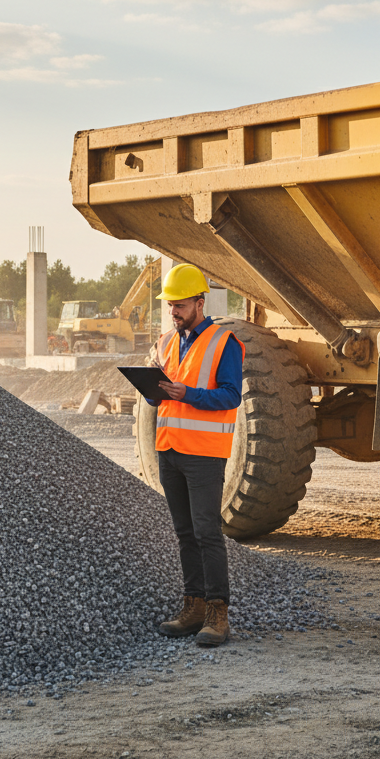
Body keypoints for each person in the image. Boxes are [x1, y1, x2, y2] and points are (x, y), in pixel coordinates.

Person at [150, 264, 244, 646]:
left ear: (200, 303)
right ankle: (193, 607)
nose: (174, 311)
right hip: (169, 449)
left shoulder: (224, 342)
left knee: (207, 532)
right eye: (171, 305)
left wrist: (185, 394)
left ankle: (217, 614)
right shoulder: (165, 342)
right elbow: (163, 390)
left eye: (180, 304)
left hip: (204, 454)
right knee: (184, 533)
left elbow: (230, 395)